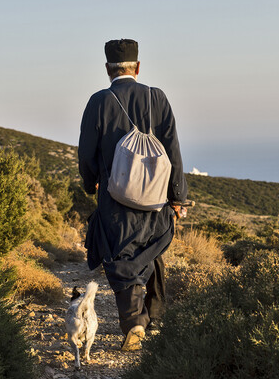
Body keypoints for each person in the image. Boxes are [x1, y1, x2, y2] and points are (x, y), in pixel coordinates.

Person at [78, 39, 188, 351]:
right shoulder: (157, 98)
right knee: (150, 251)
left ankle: (135, 323)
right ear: (137, 67)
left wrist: (90, 184)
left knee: (122, 257)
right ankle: (153, 319)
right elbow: (172, 150)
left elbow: (86, 154)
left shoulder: (98, 102)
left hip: (115, 199)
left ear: (107, 70)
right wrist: (177, 196)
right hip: (155, 199)